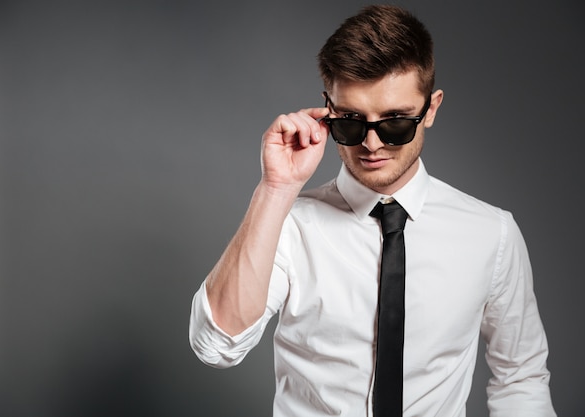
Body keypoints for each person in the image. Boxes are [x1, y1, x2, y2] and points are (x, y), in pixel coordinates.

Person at [189, 5, 556, 416]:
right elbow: (216, 346)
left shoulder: (492, 233)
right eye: (350, 121)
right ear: (327, 109)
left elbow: (520, 377)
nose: (372, 144)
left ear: (430, 109)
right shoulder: (288, 226)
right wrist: (276, 189)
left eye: (395, 122)